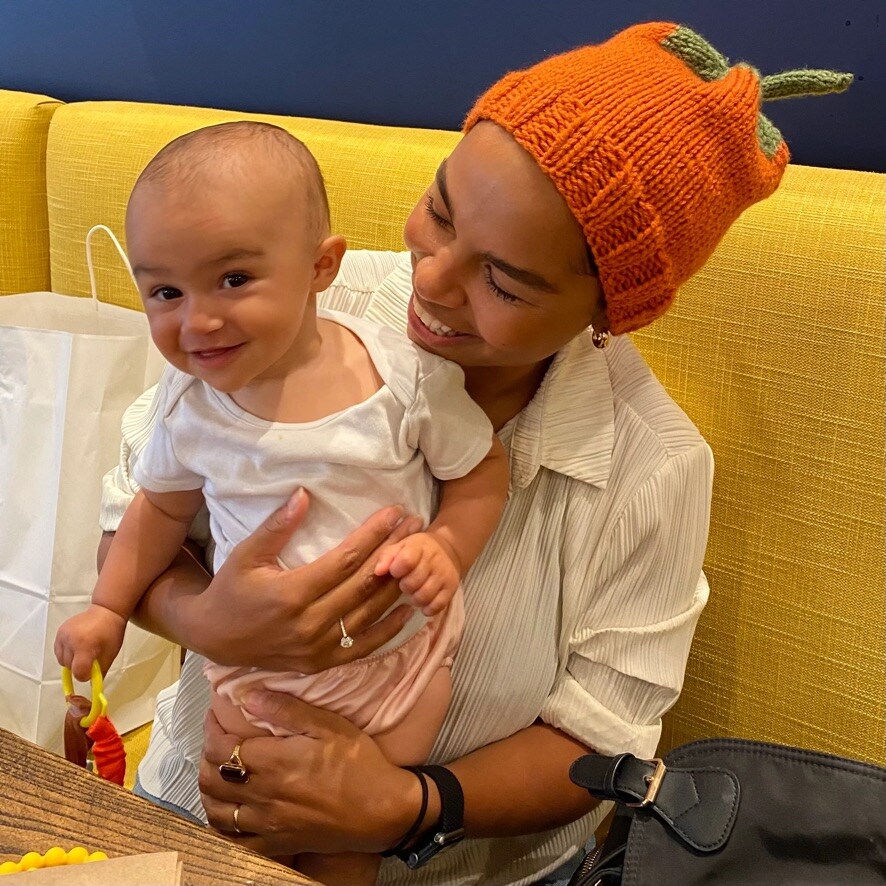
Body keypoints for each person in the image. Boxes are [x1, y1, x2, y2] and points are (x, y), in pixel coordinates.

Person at [98, 22, 851, 886]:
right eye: (440, 211)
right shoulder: (289, 296)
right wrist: (202, 619)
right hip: (193, 809)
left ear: (608, 311)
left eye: (502, 281)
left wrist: (406, 805)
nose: (430, 279)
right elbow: (130, 522)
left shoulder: (654, 467)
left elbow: (597, 740)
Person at [57, 122, 509, 884]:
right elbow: (155, 515)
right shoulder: (191, 406)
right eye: (165, 291)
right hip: (254, 677)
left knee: (341, 840)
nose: (197, 320)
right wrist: (106, 609)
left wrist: (446, 549)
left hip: (397, 663)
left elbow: (480, 471)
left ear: (319, 266)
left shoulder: (397, 376)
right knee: (244, 828)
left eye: (233, 280)